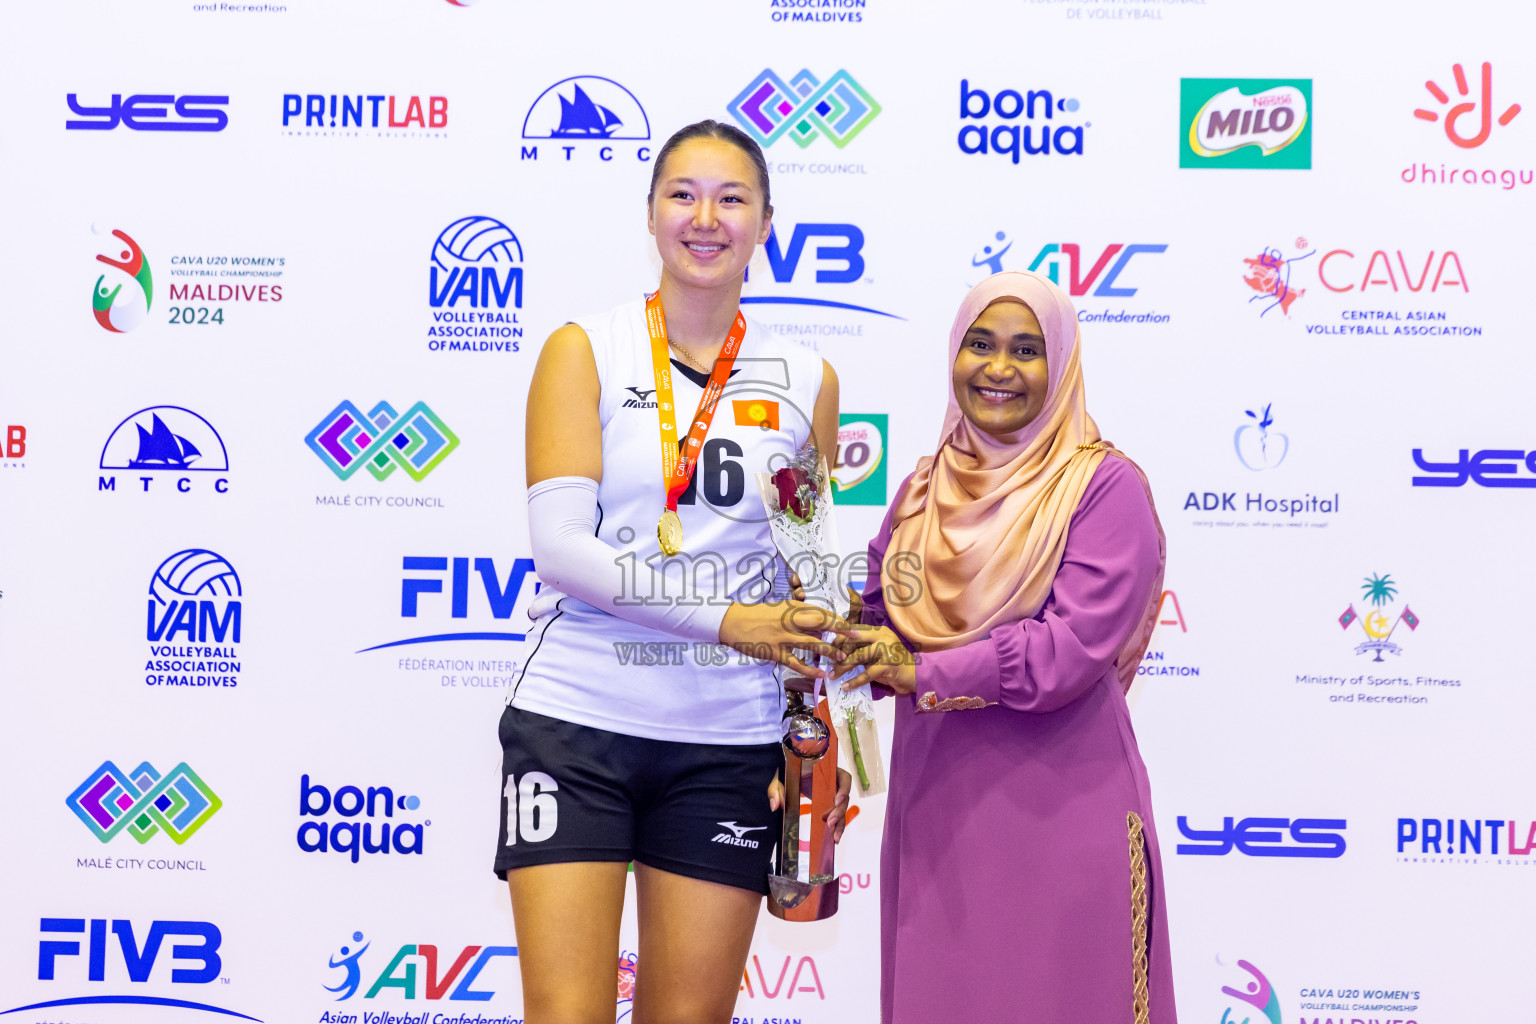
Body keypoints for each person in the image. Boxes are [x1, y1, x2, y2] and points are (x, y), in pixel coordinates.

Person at [502, 119, 850, 1024]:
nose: (706, 218)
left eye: (732, 198)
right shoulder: (585, 348)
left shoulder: (806, 379)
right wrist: (729, 621)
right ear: (651, 214)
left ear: (768, 223)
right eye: (683, 195)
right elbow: (564, 548)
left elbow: (805, 576)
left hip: (726, 741)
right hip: (577, 725)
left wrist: (828, 739)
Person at [831, 270, 1175, 1023]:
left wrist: (919, 669)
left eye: (1026, 350)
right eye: (980, 344)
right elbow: (881, 625)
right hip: (939, 820)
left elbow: (1070, 649)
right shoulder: (925, 487)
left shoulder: (1101, 487)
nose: (998, 368)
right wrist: (830, 634)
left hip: (1062, 809)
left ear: (1060, 366)